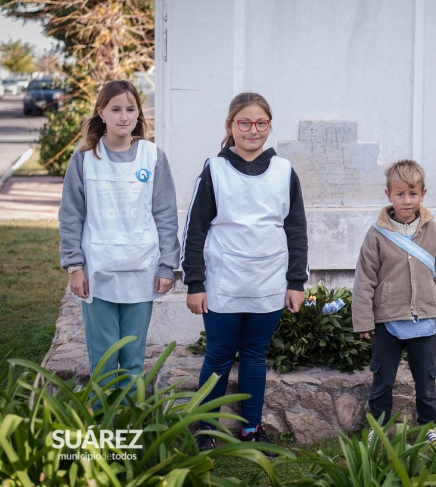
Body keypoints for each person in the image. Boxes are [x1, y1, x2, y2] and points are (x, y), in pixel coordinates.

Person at [180, 92, 308, 454]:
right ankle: (206, 429)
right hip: (223, 283)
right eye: (245, 122)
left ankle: (252, 428)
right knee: (218, 356)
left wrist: (296, 281)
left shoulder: (284, 172)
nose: (253, 130)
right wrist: (195, 282)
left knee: (255, 356)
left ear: (269, 126)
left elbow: (296, 229)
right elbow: (195, 230)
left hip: (268, 282)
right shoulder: (214, 170)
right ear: (231, 126)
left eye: (261, 123)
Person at [59, 80, 179, 385]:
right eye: (115, 109)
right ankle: (104, 425)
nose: (123, 117)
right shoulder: (84, 158)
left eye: (130, 109)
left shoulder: (153, 157)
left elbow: (165, 214)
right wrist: (74, 266)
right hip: (98, 270)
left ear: (139, 113)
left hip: (142, 269)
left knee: (133, 360)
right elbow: (71, 215)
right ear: (101, 112)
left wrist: (167, 265)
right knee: (104, 358)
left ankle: (129, 425)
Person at [352, 159, 436, 443]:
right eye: (400, 194)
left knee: (426, 381)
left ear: (423, 194)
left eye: (413, 194)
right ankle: (378, 430)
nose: (407, 200)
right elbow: (365, 279)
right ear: (389, 196)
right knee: (382, 381)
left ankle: (429, 429)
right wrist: (363, 319)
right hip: (386, 321)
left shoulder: (433, 232)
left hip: (422, 319)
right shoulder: (376, 235)